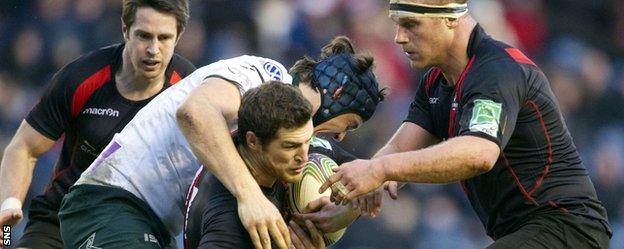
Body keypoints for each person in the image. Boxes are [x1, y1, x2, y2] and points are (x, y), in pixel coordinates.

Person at [321, 0, 612, 248]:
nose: (398, 37)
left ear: (450, 19)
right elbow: (398, 148)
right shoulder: (435, 83)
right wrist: (344, 210)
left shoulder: (496, 70)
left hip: (568, 228)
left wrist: (380, 169)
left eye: (411, 25)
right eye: (398, 25)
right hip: (527, 233)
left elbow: (478, 153)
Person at [58, 36, 384, 248]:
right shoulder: (262, 75)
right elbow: (194, 113)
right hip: (112, 200)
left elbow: (364, 178)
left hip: (159, 227)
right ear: (338, 95)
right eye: (349, 124)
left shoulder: (285, 138)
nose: (341, 136)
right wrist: (249, 198)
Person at [0, 0, 194, 248]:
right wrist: (8, 209)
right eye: (144, 36)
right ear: (125, 29)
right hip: (59, 221)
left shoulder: (190, 92)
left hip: (140, 225)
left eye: (164, 38)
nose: (153, 50)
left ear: (179, 36)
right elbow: (23, 147)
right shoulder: (81, 77)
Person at [183, 81, 348, 249]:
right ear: (253, 141)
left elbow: (364, 174)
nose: (304, 157)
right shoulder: (233, 221)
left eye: (307, 141)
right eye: (291, 146)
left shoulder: (238, 146)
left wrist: (351, 210)